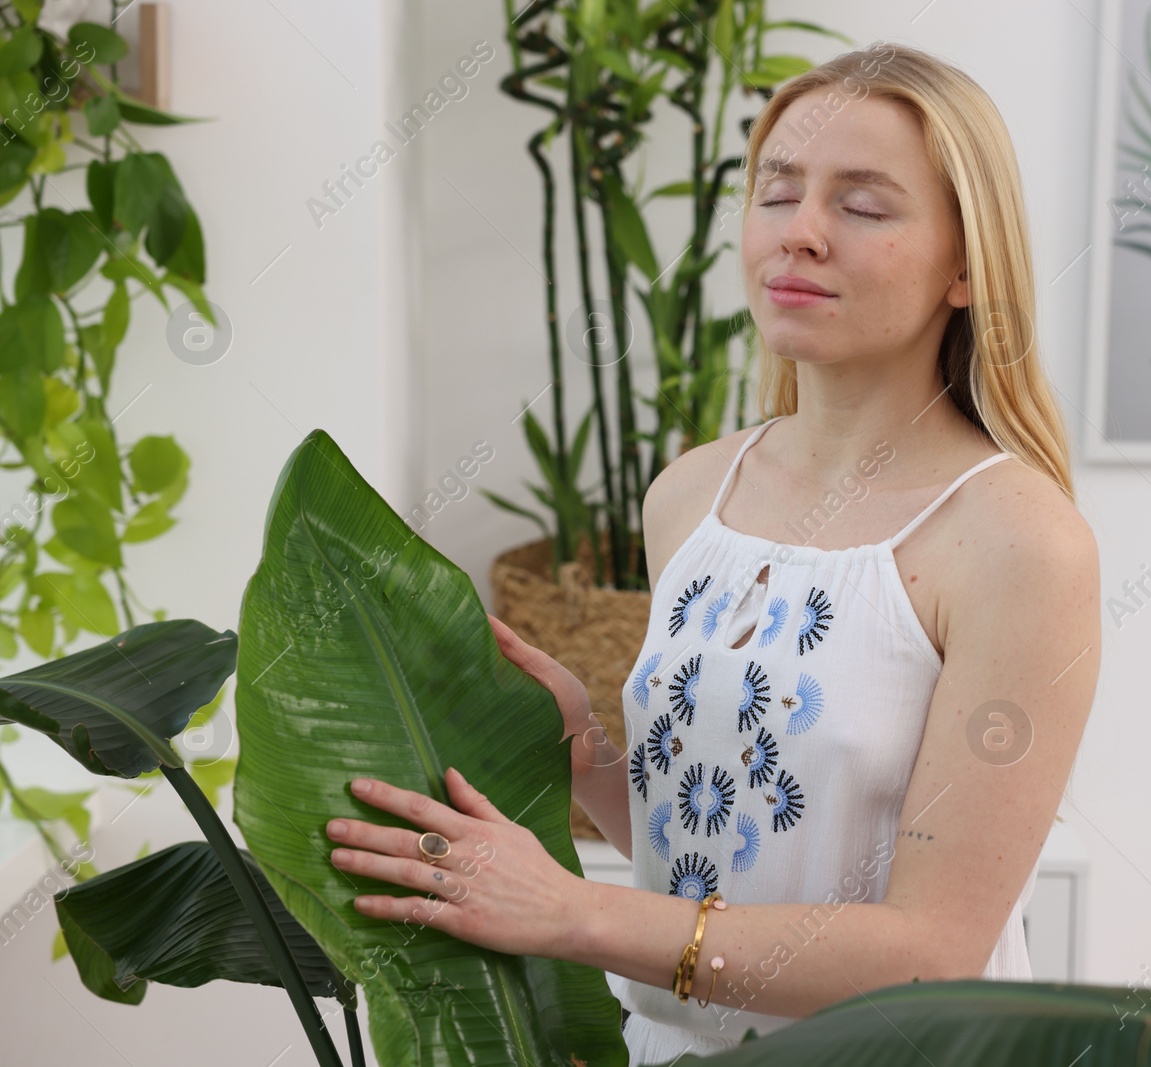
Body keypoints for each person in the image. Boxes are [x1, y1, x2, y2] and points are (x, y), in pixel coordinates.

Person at [323, 40, 1099, 1067]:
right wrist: (582, 744)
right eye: (777, 194)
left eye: (862, 206)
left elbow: (930, 951)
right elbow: (711, 839)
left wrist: (572, 912)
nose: (803, 234)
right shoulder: (693, 495)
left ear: (967, 265)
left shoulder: (1014, 538)